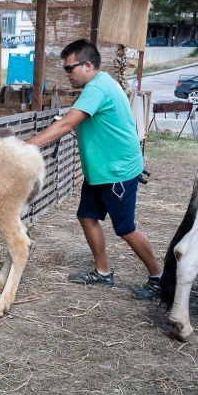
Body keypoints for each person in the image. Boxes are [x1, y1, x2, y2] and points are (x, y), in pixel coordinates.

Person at [25, 39, 162, 300]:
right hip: (100, 171)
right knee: (87, 216)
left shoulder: (97, 88)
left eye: (69, 68)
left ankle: (158, 277)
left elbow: (66, 125)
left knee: (125, 228)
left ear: (87, 65)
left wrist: (26, 145)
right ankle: (103, 272)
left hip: (117, 171)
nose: (67, 74)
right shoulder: (98, 84)